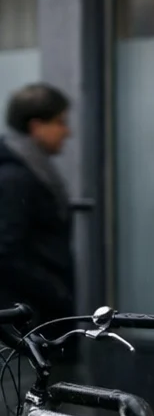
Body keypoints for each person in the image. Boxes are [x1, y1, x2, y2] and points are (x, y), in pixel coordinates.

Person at [0, 84, 74, 336]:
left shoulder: (31, 170)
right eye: (60, 122)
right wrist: (54, 291)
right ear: (36, 126)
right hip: (27, 323)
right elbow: (7, 251)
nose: (67, 132)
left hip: (36, 317)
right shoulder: (15, 177)